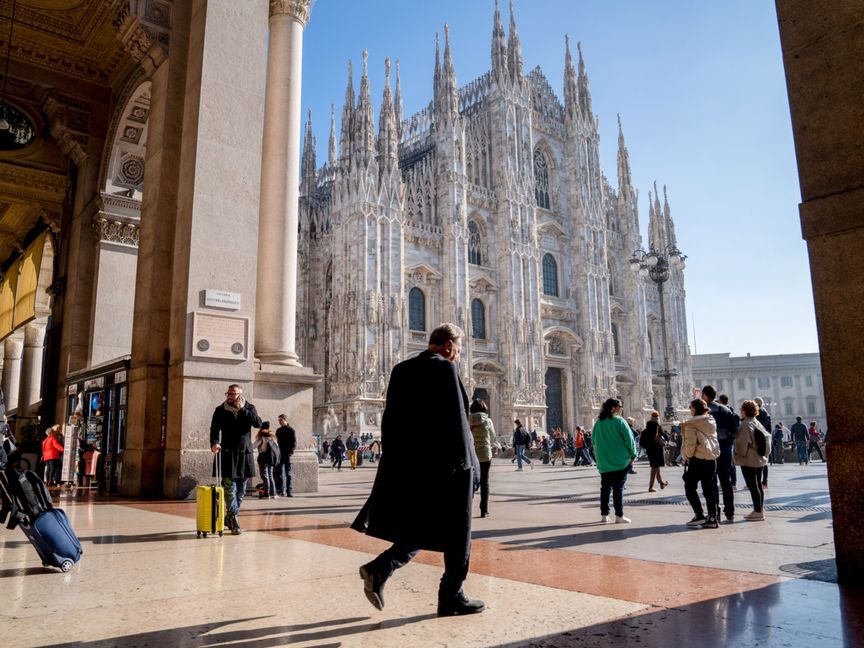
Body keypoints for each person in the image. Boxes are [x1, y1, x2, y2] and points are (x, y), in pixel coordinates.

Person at [351, 323, 484, 617]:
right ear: (449, 345)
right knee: (459, 532)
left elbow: (391, 421)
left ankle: (381, 568)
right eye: (459, 350)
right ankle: (452, 595)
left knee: (427, 525)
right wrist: (472, 467)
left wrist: (396, 462)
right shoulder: (445, 369)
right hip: (451, 466)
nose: (459, 356)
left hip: (413, 466)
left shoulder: (401, 369)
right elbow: (458, 423)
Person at [210, 383, 262, 535]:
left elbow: (257, 423)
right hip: (227, 452)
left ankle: (230, 516)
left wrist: (242, 410)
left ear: (240, 394)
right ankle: (234, 521)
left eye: (233, 394)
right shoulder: (220, 410)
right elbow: (214, 429)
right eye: (228, 394)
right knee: (230, 489)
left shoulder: (249, 408)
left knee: (241, 490)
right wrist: (214, 443)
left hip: (244, 453)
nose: (230, 396)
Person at [592, 398, 637, 524]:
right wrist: (633, 455)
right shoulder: (619, 421)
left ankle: (604, 515)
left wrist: (599, 456)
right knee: (618, 488)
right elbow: (630, 440)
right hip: (620, 462)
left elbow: (593, 441)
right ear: (613, 408)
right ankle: (619, 515)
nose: (621, 408)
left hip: (604, 463)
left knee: (605, 488)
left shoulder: (598, 423)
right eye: (620, 406)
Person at [681, 398, 720, 528]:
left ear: (695, 408)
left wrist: (687, 456)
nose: (690, 409)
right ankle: (712, 518)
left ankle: (699, 515)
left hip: (698, 459)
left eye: (691, 407)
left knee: (690, 487)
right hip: (711, 459)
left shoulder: (691, 424)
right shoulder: (711, 421)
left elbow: (691, 444)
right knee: (709, 489)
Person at [702, 385, 736, 523]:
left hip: (710, 450)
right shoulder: (727, 410)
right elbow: (735, 431)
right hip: (725, 450)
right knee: (726, 481)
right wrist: (728, 443)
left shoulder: (704, 412)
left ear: (704, 395)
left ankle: (715, 512)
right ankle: (730, 512)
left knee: (711, 482)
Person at [734, 400, 770, 521]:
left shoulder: (745, 424)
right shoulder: (756, 422)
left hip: (749, 459)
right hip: (759, 458)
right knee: (758, 485)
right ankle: (759, 508)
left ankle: (758, 511)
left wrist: (736, 456)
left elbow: (742, 443)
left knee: (752, 485)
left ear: (744, 411)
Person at [469, 398, 496, 518]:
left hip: (472, 454)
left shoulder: (468, 420)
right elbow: (493, 437)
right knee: (485, 482)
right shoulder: (488, 421)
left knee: (470, 481)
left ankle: (468, 508)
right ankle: (484, 510)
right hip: (485, 454)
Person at [639, 411, 668, 492]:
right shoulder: (658, 428)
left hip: (650, 450)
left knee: (656, 467)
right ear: (657, 419)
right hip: (657, 450)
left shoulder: (646, 430)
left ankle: (661, 482)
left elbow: (642, 442)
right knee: (654, 468)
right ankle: (650, 487)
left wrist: (648, 446)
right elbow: (665, 438)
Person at [252, 422, 280, 499]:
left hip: (263, 458)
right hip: (271, 459)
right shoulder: (273, 438)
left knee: (264, 475)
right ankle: (273, 493)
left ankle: (266, 492)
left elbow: (252, 446)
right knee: (270, 475)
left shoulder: (261, 438)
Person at [274, 414, 296, 496]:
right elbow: (276, 442)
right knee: (279, 472)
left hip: (287, 455)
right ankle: (281, 490)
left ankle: (289, 490)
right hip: (279, 454)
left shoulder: (291, 430)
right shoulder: (278, 430)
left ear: (285, 420)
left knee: (288, 473)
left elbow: (294, 443)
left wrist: (291, 453)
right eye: (278, 420)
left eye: (280, 420)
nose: (279, 422)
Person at [754, 397, 772, 487]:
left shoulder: (755, 415)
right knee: (764, 462)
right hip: (766, 440)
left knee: (755, 462)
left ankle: (756, 482)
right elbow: (769, 430)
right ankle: (765, 482)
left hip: (757, 440)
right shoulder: (767, 415)